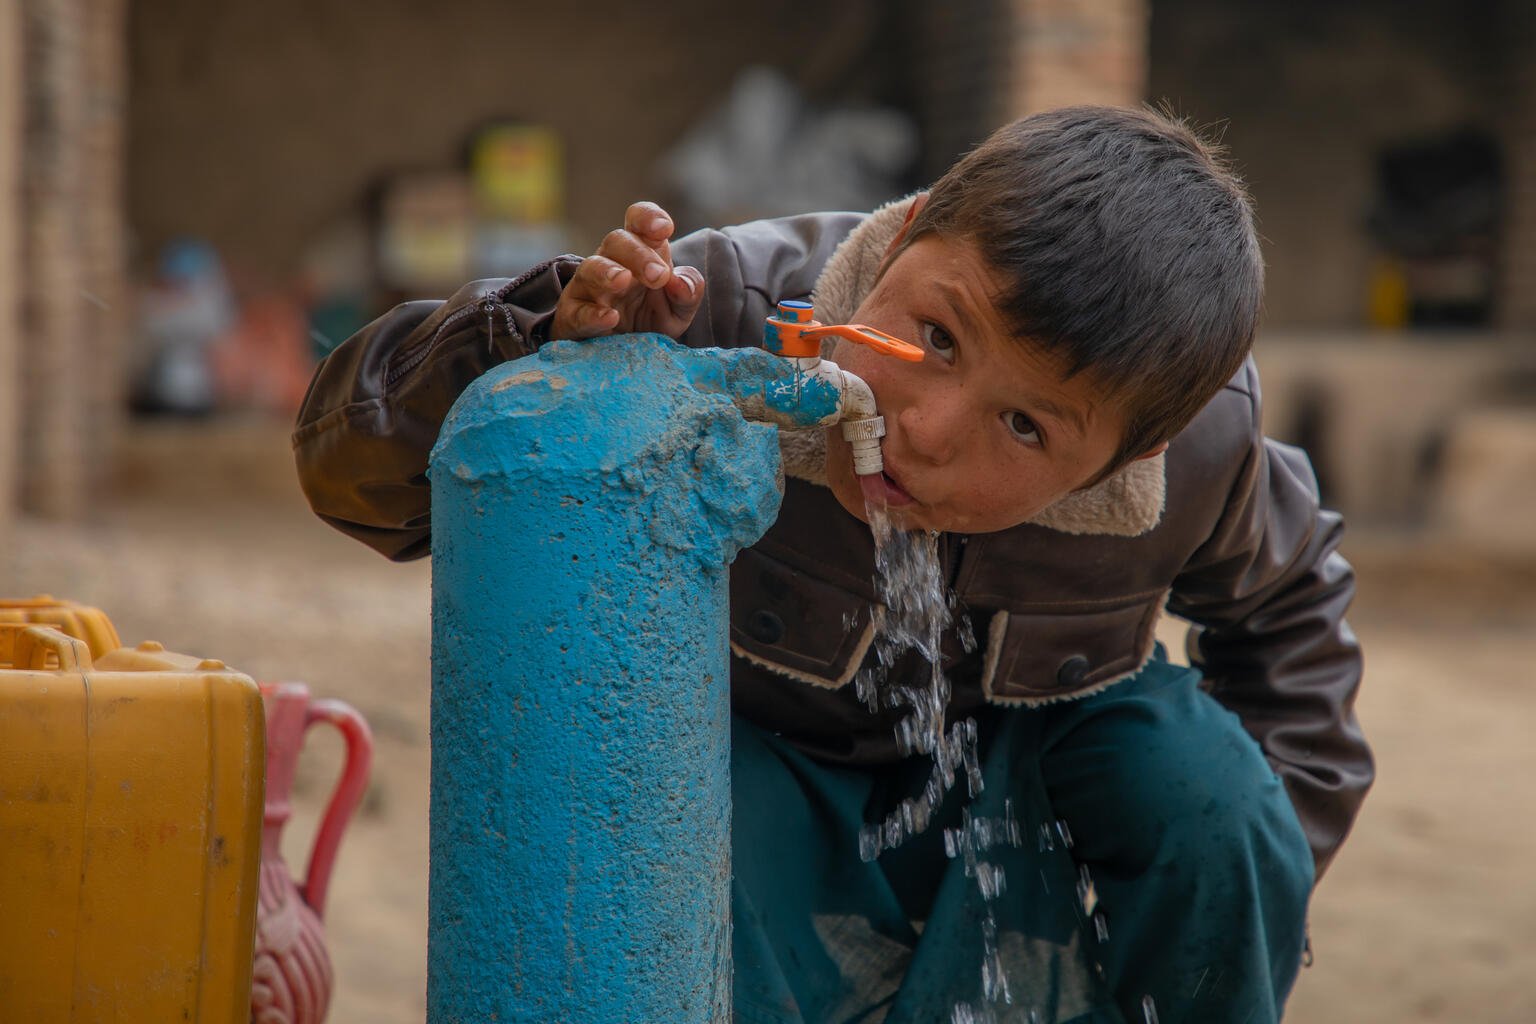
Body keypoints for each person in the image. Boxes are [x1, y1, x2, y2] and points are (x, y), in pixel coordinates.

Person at [294, 106, 1372, 1023]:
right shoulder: (712, 309)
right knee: (659, 828)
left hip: (1023, 763)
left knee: (1214, 799)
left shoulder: (1201, 449)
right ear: (906, 232)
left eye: (1026, 427)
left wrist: (1255, 877)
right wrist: (546, 361)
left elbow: (1293, 619)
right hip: (756, 760)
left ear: (1130, 456)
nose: (928, 430)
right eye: (938, 336)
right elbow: (347, 480)